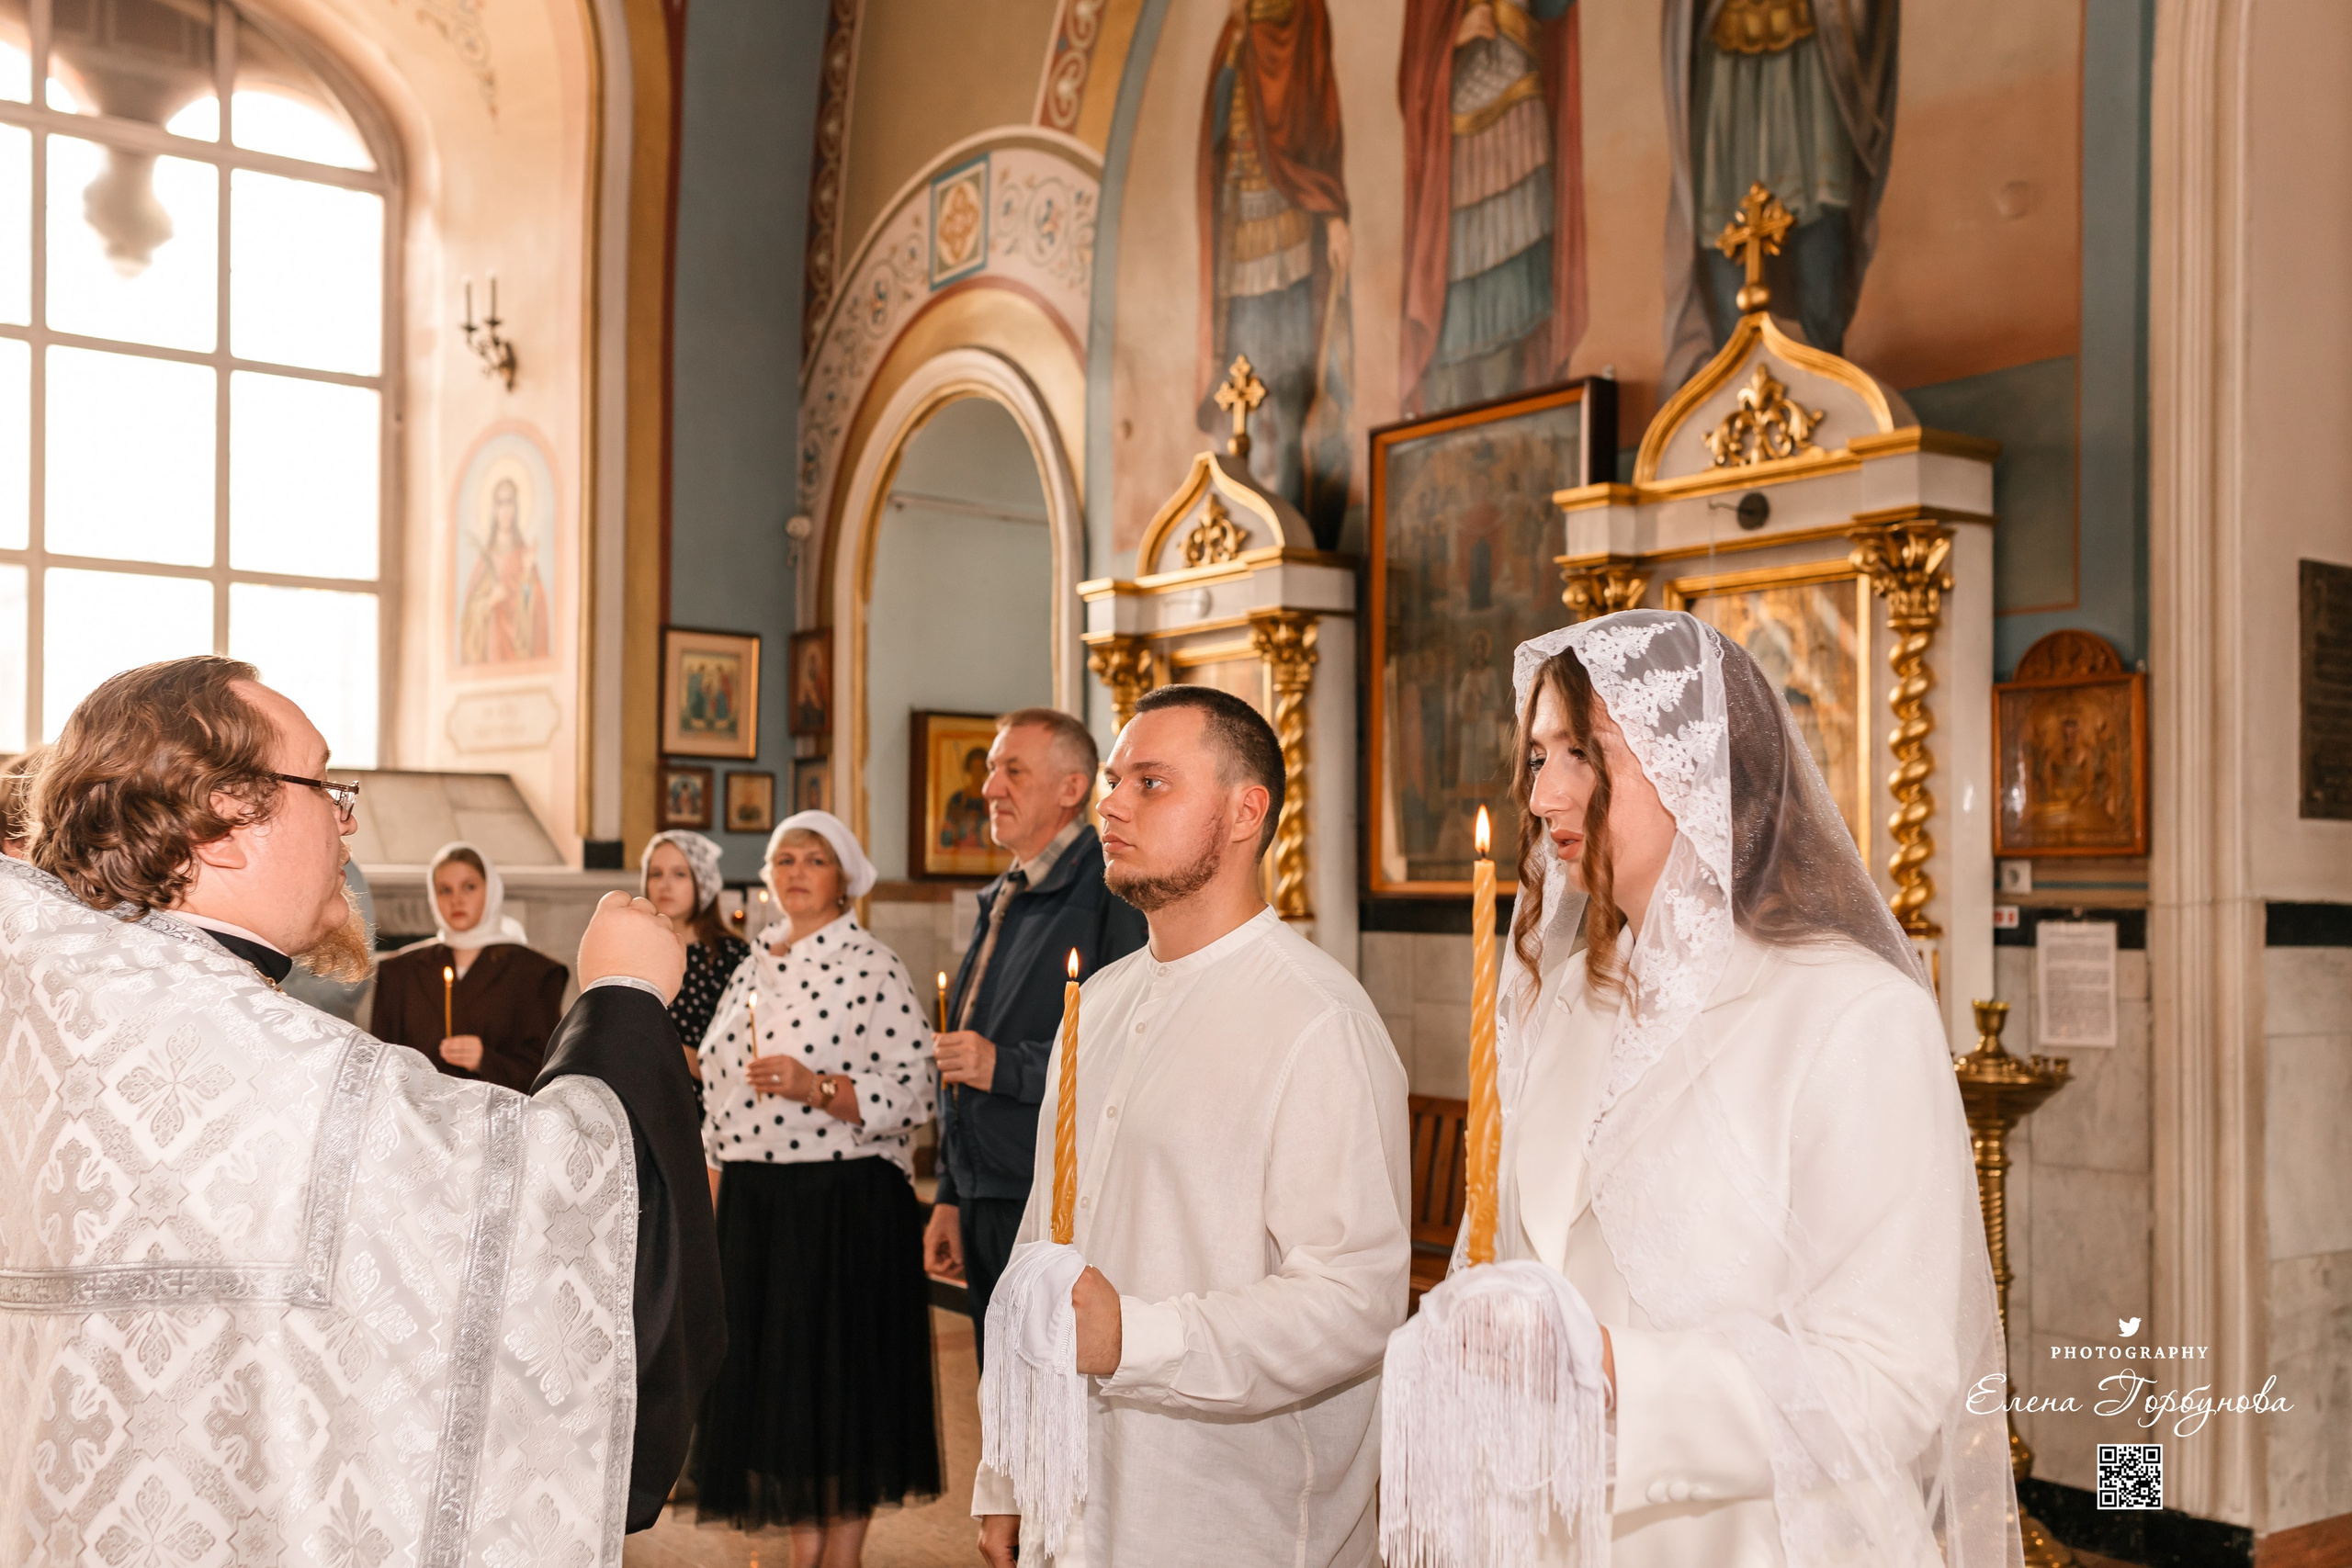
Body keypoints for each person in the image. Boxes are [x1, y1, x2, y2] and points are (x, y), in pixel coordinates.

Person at [2, 656, 723, 1562]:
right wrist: (621, 998)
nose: (348, 822)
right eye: (325, 786)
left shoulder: (60, 1011)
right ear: (224, 822)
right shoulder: (264, 1066)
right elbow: (569, 1222)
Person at [1487, 611, 2016, 1565]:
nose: (1546, 794)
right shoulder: (1564, 998)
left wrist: (1622, 1381)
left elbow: (1890, 1376)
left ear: (1696, 765)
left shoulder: (1849, 1011)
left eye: (1582, 751)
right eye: (1535, 758)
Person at [974, 684, 1411, 1568]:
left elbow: (1355, 1302)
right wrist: (1009, 1468)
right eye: (1113, 780)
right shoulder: (1096, 1001)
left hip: (1227, 1516)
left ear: (1245, 811)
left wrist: (1134, 1336)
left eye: (1151, 782)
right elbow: (1042, 1242)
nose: (1112, 803)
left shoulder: (1316, 1020)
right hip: (1080, 1498)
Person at [693, 810, 940, 1567]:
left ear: (845, 878)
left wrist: (818, 1086)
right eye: (783, 858)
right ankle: (808, 1554)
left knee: (841, 1386)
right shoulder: (752, 964)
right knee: (783, 1392)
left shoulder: (871, 965)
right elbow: (719, 1088)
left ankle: (844, 1555)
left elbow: (918, 1089)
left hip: (842, 1203)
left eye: (814, 858)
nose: (796, 870)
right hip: (759, 1204)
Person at [923, 708, 1147, 1369]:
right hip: (985, 1184)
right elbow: (963, 1060)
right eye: (992, 770)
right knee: (1003, 1390)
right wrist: (949, 1193)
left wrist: (1006, 1067)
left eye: (1011, 770)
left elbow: (1125, 1048)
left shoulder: (1107, 888)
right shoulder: (1005, 890)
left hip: (1051, 1191)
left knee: (1055, 1394)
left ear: (1072, 788)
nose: (990, 787)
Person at [372, 840, 569, 1093]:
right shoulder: (399, 973)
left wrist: (485, 1061)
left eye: (469, 887)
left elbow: (546, 1072)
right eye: (445, 890)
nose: (457, 900)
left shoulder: (534, 973)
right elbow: (381, 1067)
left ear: (491, 890)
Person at [640, 827, 752, 1089]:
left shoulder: (731, 956)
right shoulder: (638, 948)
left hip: (701, 1105)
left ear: (703, 881)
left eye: (680, 874)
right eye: (656, 874)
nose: (665, 885)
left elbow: (738, 1059)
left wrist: (656, 1046)